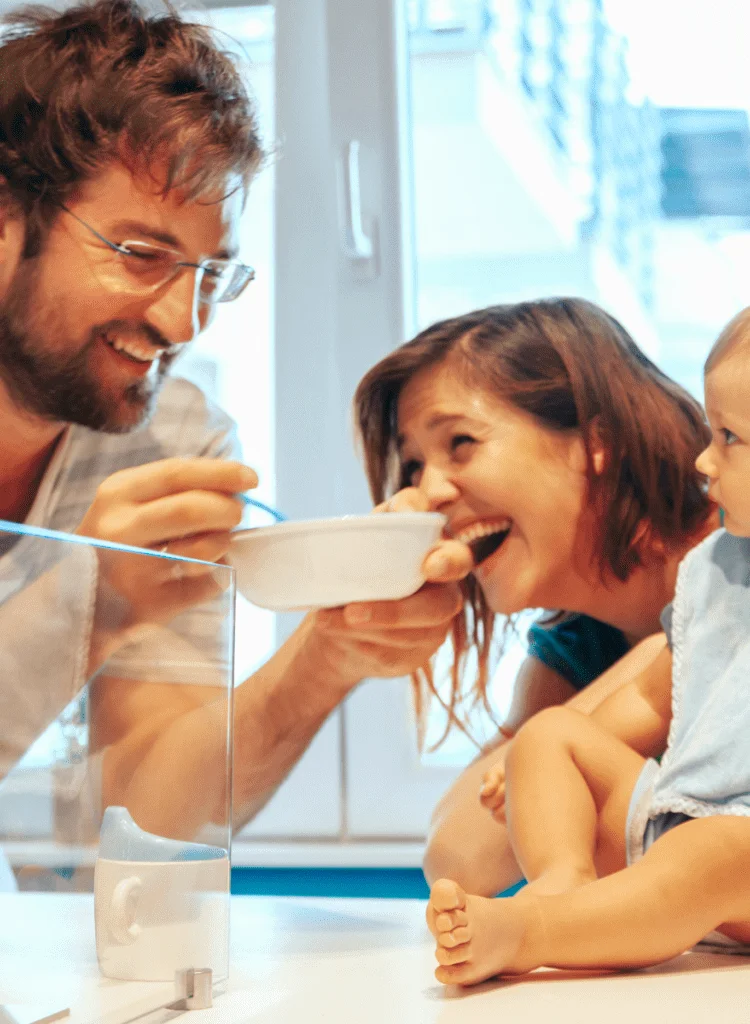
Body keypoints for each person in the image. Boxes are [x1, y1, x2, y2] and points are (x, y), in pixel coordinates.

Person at [0, 0, 470, 842]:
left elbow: (144, 819)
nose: (185, 324)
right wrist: (91, 605)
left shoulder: (169, 440)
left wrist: (326, 656)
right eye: (141, 255)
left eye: (211, 273)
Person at [425, 307, 750, 984]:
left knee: (713, 853)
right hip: (678, 819)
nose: (702, 458)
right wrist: (533, 764)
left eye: (729, 437)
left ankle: (535, 931)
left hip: (734, 849)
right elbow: (650, 694)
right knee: (548, 738)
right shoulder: (715, 573)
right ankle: (561, 880)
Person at [352, 297, 718, 896]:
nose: (425, 494)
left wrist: (689, 648)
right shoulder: (577, 646)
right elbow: (459, 857)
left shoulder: (737, 569)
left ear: (596, 444)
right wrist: (663, 660)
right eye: (414, 465)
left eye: (461, 442)